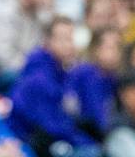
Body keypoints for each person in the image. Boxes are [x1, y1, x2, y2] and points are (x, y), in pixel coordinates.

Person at [9, 16, 99, 157]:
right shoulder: (39, 78)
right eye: (63, 39)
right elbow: (50, 127)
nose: (69, 45)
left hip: (48, 139)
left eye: (71, 39)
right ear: (47, 42)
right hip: (28, 143)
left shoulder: (61, 74)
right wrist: (83, 141)